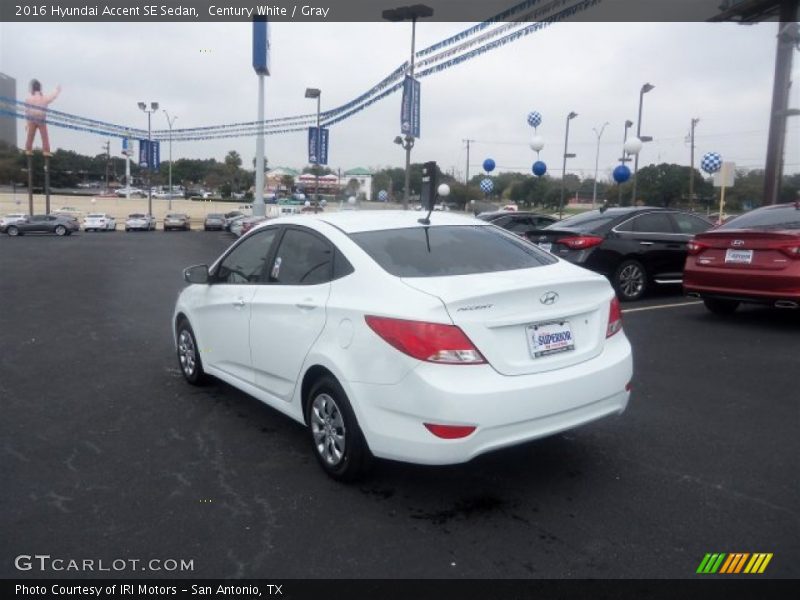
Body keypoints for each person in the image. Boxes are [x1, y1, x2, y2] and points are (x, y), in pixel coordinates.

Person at [24, 79, 61, 156]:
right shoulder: (43, 98)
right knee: (44, 137)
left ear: (32, 88)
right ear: (40, 88)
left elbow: (27, 111)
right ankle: (46, 151)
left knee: (30, 136)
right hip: (41, 119)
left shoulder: (28, 99)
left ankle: (28, 150)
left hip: (32, 119)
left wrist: (27, 123)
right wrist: (57, 90)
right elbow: (51, 97)